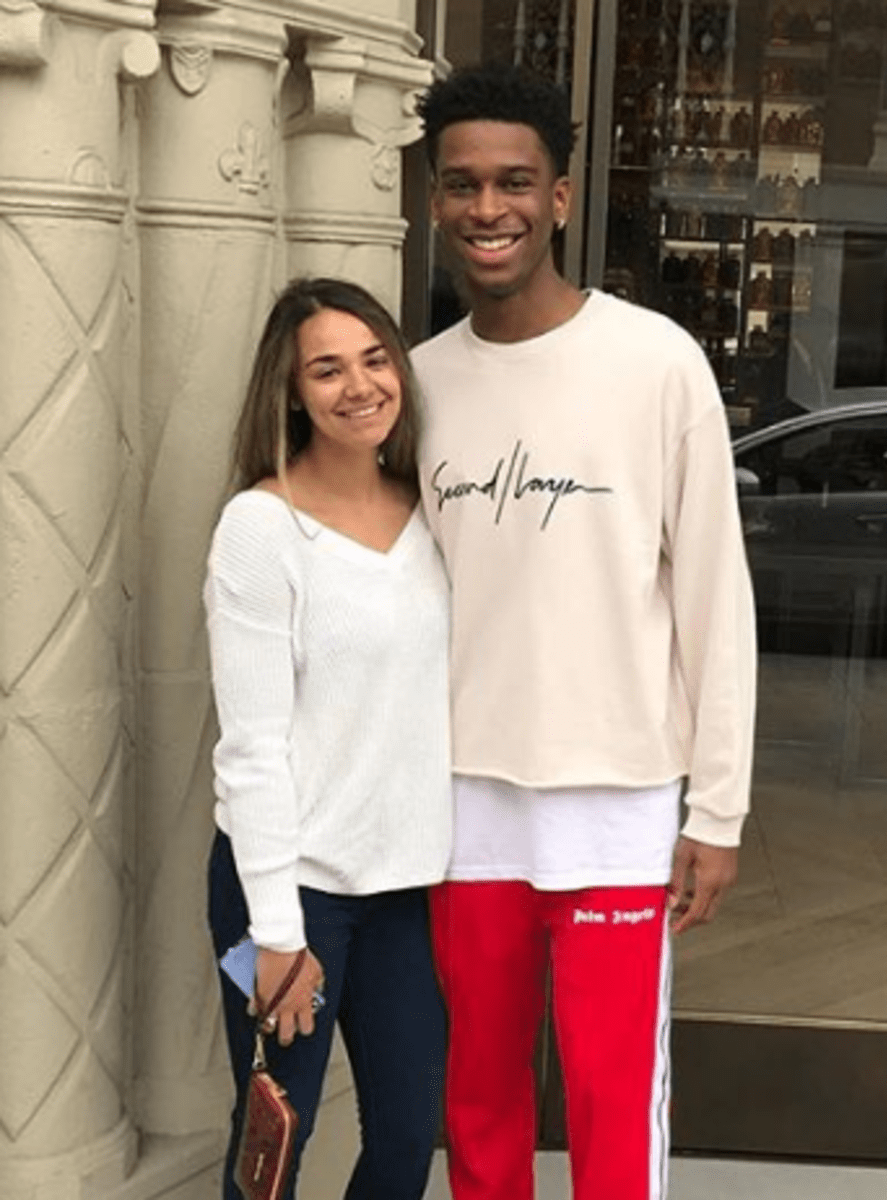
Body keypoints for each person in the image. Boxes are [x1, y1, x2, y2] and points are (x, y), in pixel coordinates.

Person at [412, 63, 757, 1200]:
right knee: (480, 1097)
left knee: (613, 1098)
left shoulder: (655, 363)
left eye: (515, 181)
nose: (489, 207)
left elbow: (715, 597)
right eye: (462, 183)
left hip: (618, 799)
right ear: (434, 200)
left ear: (559, 198)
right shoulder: (413, 386)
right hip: (463, 802)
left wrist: (717, 808)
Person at [203, 277, 452, 1199]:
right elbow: (252, 748)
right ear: (292, 391)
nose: (360, 385)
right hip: (291, 889)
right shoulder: (260, 529)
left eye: (376, 359)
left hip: (405, 892)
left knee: (405, 1139)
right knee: (275, 1143)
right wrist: (276, 931)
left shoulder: (431, 512)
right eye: (328, 369)